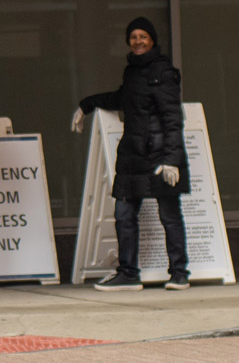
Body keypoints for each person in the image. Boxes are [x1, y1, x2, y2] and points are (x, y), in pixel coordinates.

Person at [73, 17, 190, 291]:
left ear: (152, 41)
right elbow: (120, 99)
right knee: (124, 214)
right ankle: (128, 273)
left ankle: (180, 273)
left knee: (169, 215)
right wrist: (86, 106)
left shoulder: (164, 71)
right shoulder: (133, 71)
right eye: (133, 37)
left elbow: (173, 118)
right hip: (132, 155)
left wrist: (172, 160)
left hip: (160, 156)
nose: (137, 41)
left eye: (143, 37)